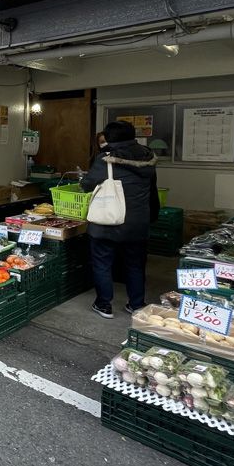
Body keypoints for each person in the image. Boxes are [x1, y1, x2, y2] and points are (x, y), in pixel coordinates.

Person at [80, 120, 159, 319]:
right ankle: (137, 304)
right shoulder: (147, 156)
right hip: (138, 222)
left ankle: (104, 304)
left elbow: (88, 184)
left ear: (109, 137)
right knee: (135, 264)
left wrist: (83, 180)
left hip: (109, 220)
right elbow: (153, 188)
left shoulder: (106, 158)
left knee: (102, 262)